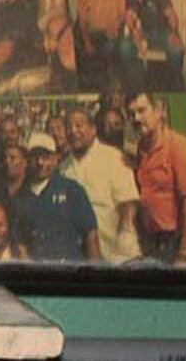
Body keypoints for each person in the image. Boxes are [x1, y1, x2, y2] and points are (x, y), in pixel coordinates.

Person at [60, 106, 142, 264]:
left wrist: (124, 243)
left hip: (117, 255)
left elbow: (128, 204)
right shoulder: (63, 168)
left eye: (79, 125)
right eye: (69, 127)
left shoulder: (114, 158)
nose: (73, 131)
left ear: (93, 130)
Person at [128, 91, 186, 265]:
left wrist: (184, 254)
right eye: (131, 114)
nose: (136, 118)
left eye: (141, 111)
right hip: (155, 241)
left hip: (178, 240)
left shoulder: (178, 145)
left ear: (158, 111)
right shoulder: (141, 148)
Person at [12, 133, 100, 262]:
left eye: (46, 157)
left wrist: (95, 269)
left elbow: (90, 235)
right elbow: (21, 244)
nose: (40, 163)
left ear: (55, 159)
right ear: (27, 160)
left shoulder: (72, 190)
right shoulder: (20, 198)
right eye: (35, 157)